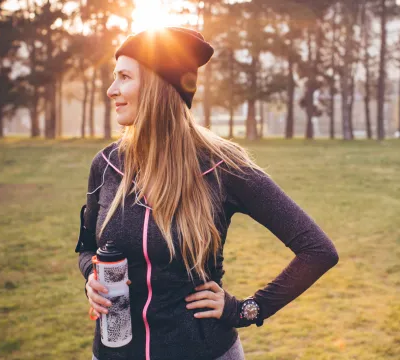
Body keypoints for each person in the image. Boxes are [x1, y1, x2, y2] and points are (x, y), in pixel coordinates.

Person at [76, 27, 339, 360]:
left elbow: (318, 250)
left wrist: (247, 309)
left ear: (159, 87)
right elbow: (87, 248)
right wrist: (91, 277)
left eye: (125, 77)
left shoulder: (222, 167)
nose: (111, 90)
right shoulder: (106, 165)